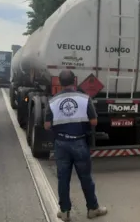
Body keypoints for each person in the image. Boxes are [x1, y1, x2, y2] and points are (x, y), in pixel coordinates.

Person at [44, 70, 107, 221]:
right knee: (85, 177)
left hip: (61, 144)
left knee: (63, 179)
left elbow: (46, 125)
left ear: (59, 82)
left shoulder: (52, 101)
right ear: (75, 81)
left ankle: (64, 212)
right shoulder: (85, 99)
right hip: (79, 143)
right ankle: (92, 209)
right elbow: (94, 122)